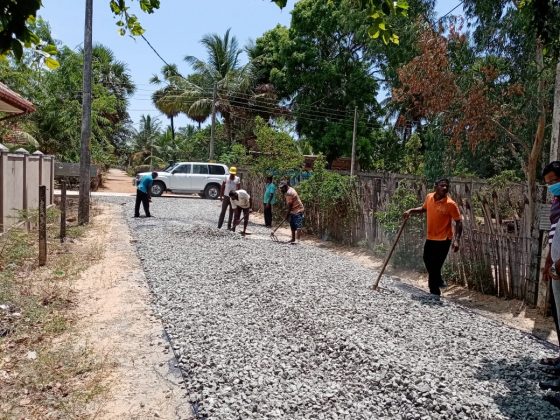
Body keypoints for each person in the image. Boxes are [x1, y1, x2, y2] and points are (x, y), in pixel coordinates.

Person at [403, 178, 462, 296]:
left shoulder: (450, 204)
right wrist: (411, 210)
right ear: (436, 187)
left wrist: (457, 240)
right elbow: (423, 209)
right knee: (427, 260)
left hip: (444, 239)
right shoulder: (429, 197)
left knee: (435, 265)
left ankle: (434, 292)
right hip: (431, 237)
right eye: (442, 185)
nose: (445, 188)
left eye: (446, 186)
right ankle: (438, 281)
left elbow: (459, 222)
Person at [538, 161, 560, 405]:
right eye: (548, 183)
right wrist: (548, 263)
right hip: (556, 270)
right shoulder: (556, 201)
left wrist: (556, 264)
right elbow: (554, 235)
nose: (552, 186)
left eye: (554, 181)